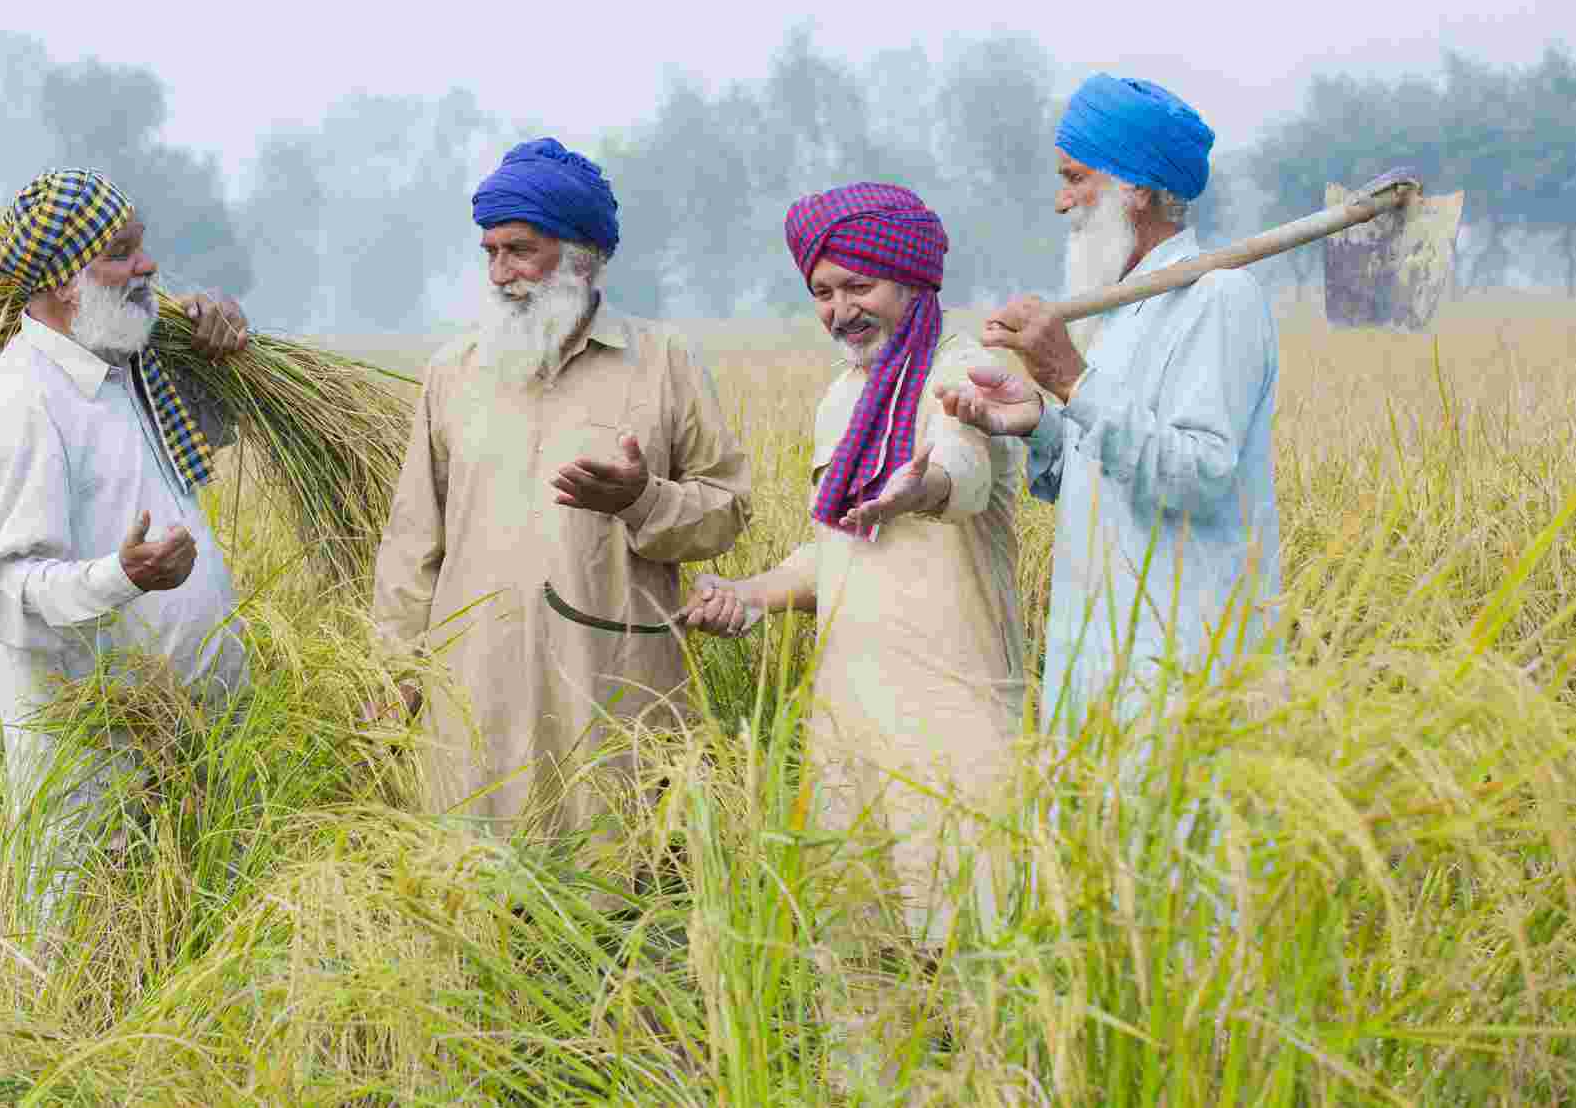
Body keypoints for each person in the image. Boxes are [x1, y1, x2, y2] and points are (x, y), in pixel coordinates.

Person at [370, 137, 752, 841]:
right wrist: (394, 674)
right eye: (489, 253)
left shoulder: (662, 362)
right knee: (477, 903)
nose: (501, 272)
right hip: (473, 695)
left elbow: (725, 511)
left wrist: (643, 501)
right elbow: (412, 542)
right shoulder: (453, 372)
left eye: (520, 250)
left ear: (582, 254)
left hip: (614, 692)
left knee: (623, 898)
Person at [679, 183, 1026, 944]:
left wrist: (917, 488)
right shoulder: (844, 395)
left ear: (909, 277)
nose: (840, 311)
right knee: (852, 957)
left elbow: (961, 475)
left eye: (858, 286)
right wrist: (747, 595)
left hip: (955, 712)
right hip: (851, 711)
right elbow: (834, 552)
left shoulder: (966, 370)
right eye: (823, 292)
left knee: (973, 952)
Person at [937, 74, 1283, 731]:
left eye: (1075, 178)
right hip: (1100, 666)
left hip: (1184, 676)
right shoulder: (1123, 312)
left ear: (1137, 188)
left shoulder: (1217, 300)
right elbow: (1107, 476)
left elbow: (1196, 477)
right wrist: (1040, 422)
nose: (1061, 201)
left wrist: (1068, 377)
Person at [0, 168, 252, 942]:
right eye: (121, 254)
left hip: (182, 741)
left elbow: (196, 445)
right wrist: (121, 577)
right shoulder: (24, 398)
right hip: (94, 758)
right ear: (63, 280)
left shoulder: (127, 370)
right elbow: (11, 589)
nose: (148, 267)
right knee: (81, 953)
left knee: (173, 964)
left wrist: (220, 345)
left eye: (142, 247)